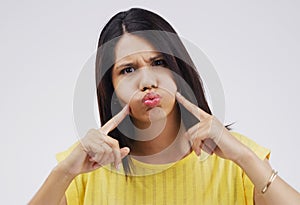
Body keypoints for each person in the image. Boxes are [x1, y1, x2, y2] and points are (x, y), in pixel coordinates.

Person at [29, 8, 300, 205]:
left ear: (179, 71)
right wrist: (64, 172)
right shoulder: (84, 168)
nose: (147, 81)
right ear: (111, 89)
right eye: (128, 70)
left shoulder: (237, 158)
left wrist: (245, 158)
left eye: (158, 63)